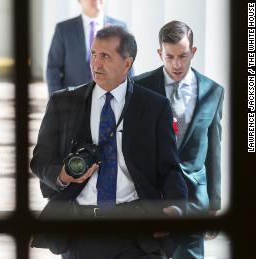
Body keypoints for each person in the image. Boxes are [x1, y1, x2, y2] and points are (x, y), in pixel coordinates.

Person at [31, 26, 188, 259]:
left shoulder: (155, 107)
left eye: (105, 56)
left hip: (136, 233)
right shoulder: (63, 103)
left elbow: (169, 169)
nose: (96, 64)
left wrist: (175, 209)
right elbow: (40, 161)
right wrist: (62, 175)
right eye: (94, 54)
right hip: (80, 232)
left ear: (127, 64)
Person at [133, 20, 224, 259]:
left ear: (193, 52)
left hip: (194, 198)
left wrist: (214, 203)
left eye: (183, 56)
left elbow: (214, 149)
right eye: (169, 56)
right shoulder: (139, 87)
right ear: (159, 53)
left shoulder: (213, 91)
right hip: (153, 197)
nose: (176, 64)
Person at [46, 0, 128, 96]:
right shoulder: (64, 29)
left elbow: (127, 67)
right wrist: (57, 100)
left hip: (111, 101)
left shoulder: (120, 28)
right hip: (74, 100)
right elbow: (53, 68)